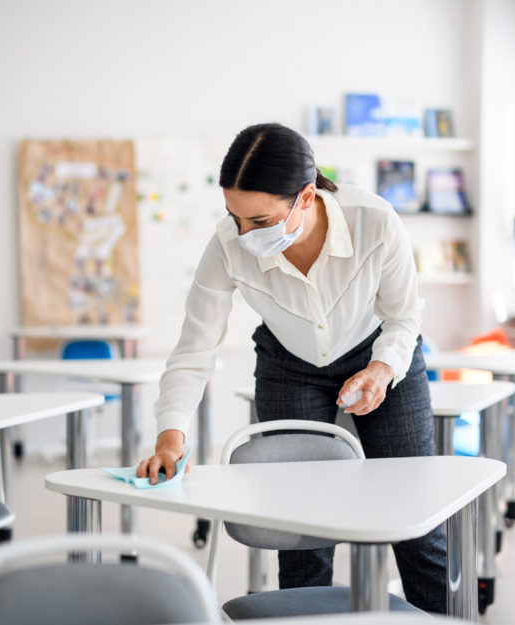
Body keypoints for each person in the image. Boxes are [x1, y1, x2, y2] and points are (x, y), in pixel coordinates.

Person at [136, 122, 447, 613]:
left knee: (418, 523)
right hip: (288, 366)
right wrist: (170, 434)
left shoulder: (374, 221)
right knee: (301, 529)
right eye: (234, 217)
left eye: (260, 221)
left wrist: (382, 370)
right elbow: (195, 349)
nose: (243, 234)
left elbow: (404, 317)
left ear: (305, 196)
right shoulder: (226, 246)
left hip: (380, 357)